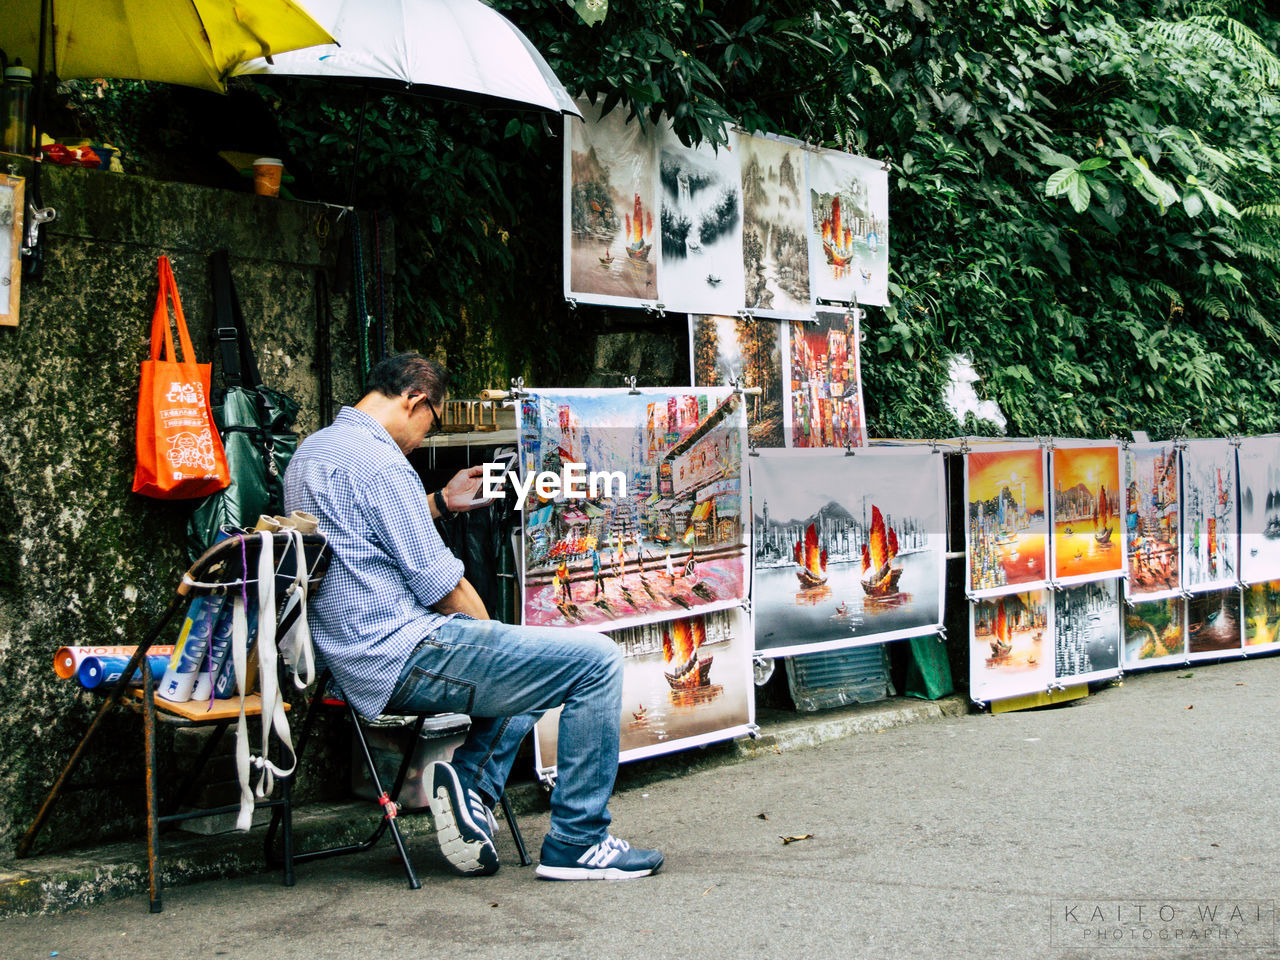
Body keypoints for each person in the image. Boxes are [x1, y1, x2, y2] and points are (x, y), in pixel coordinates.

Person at [284, 352, 662, 881]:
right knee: (592, 661)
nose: (423, 436)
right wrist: (498, 637)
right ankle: (578, 841)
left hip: (352, 655)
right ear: (416, 400)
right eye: (432, 422)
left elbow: (362, 538)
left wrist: (438, 502)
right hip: (401, 651)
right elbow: (443, 586)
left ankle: (472, 794)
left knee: (534, 668)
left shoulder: (312, 451)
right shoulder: (382, 463)